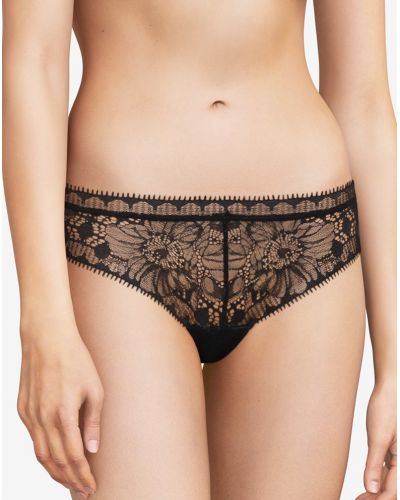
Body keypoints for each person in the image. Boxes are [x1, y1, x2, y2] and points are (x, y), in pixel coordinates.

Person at [2, 1, 396, 499]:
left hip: (308, 239)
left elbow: (363, 96)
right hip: (122, 239)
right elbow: (34, 63)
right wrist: (43, 324)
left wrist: (395, 362)